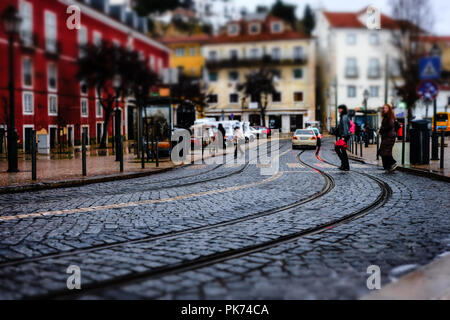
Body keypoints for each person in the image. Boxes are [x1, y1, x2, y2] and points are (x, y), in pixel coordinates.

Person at [379, 104, 398, 172]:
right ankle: (388, 167)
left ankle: (393, 163)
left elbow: (390, 125)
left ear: (389, 109)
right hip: (387, 136)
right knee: (386, 151)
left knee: (384, 151)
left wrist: (381, 130)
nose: (384, 109)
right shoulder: (386, 116)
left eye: (386, 108)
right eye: (383, 108)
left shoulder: (389, 117)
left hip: (389, 137)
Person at [335, 105, 351, 171]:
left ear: (342, 109)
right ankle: (344, 164)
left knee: (340, 150)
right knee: (340, 150)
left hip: (344, 136)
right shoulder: (343, 116)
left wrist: (343, 137)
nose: (338, 110)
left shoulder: (344, 117)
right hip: (343, 136)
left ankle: (345, 165)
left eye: (339, 109)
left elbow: (345, 127)